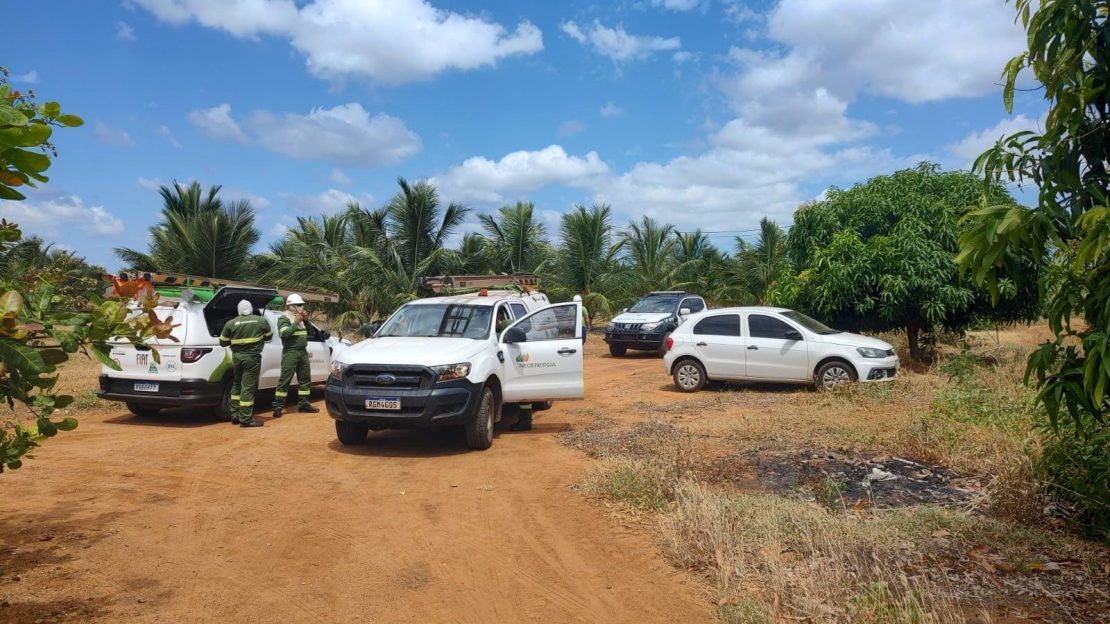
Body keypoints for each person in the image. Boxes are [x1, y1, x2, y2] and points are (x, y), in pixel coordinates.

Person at [219, 300, 272, 427]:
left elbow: (223, 342)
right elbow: (269, 336)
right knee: (247, 387)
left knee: (237, 384)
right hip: (252, 358)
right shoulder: (261, 321)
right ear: (251, 308)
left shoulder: (231, 323)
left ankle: (235, 414)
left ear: (238, 310)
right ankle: (246, 419)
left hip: (237, 358)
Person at [273, 294, 320, 418]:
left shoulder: (301, 319)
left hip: (302, 352)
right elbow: (285, 334)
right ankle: (278, 406)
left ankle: (304, 405)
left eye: (302, 305)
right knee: (285, 380)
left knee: (305, 380)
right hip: (290, 352)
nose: (301, 307)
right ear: (291, 306)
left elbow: (310, 332)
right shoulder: (284, 318)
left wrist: (306, 320)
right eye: (299, 305)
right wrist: (296, 322)